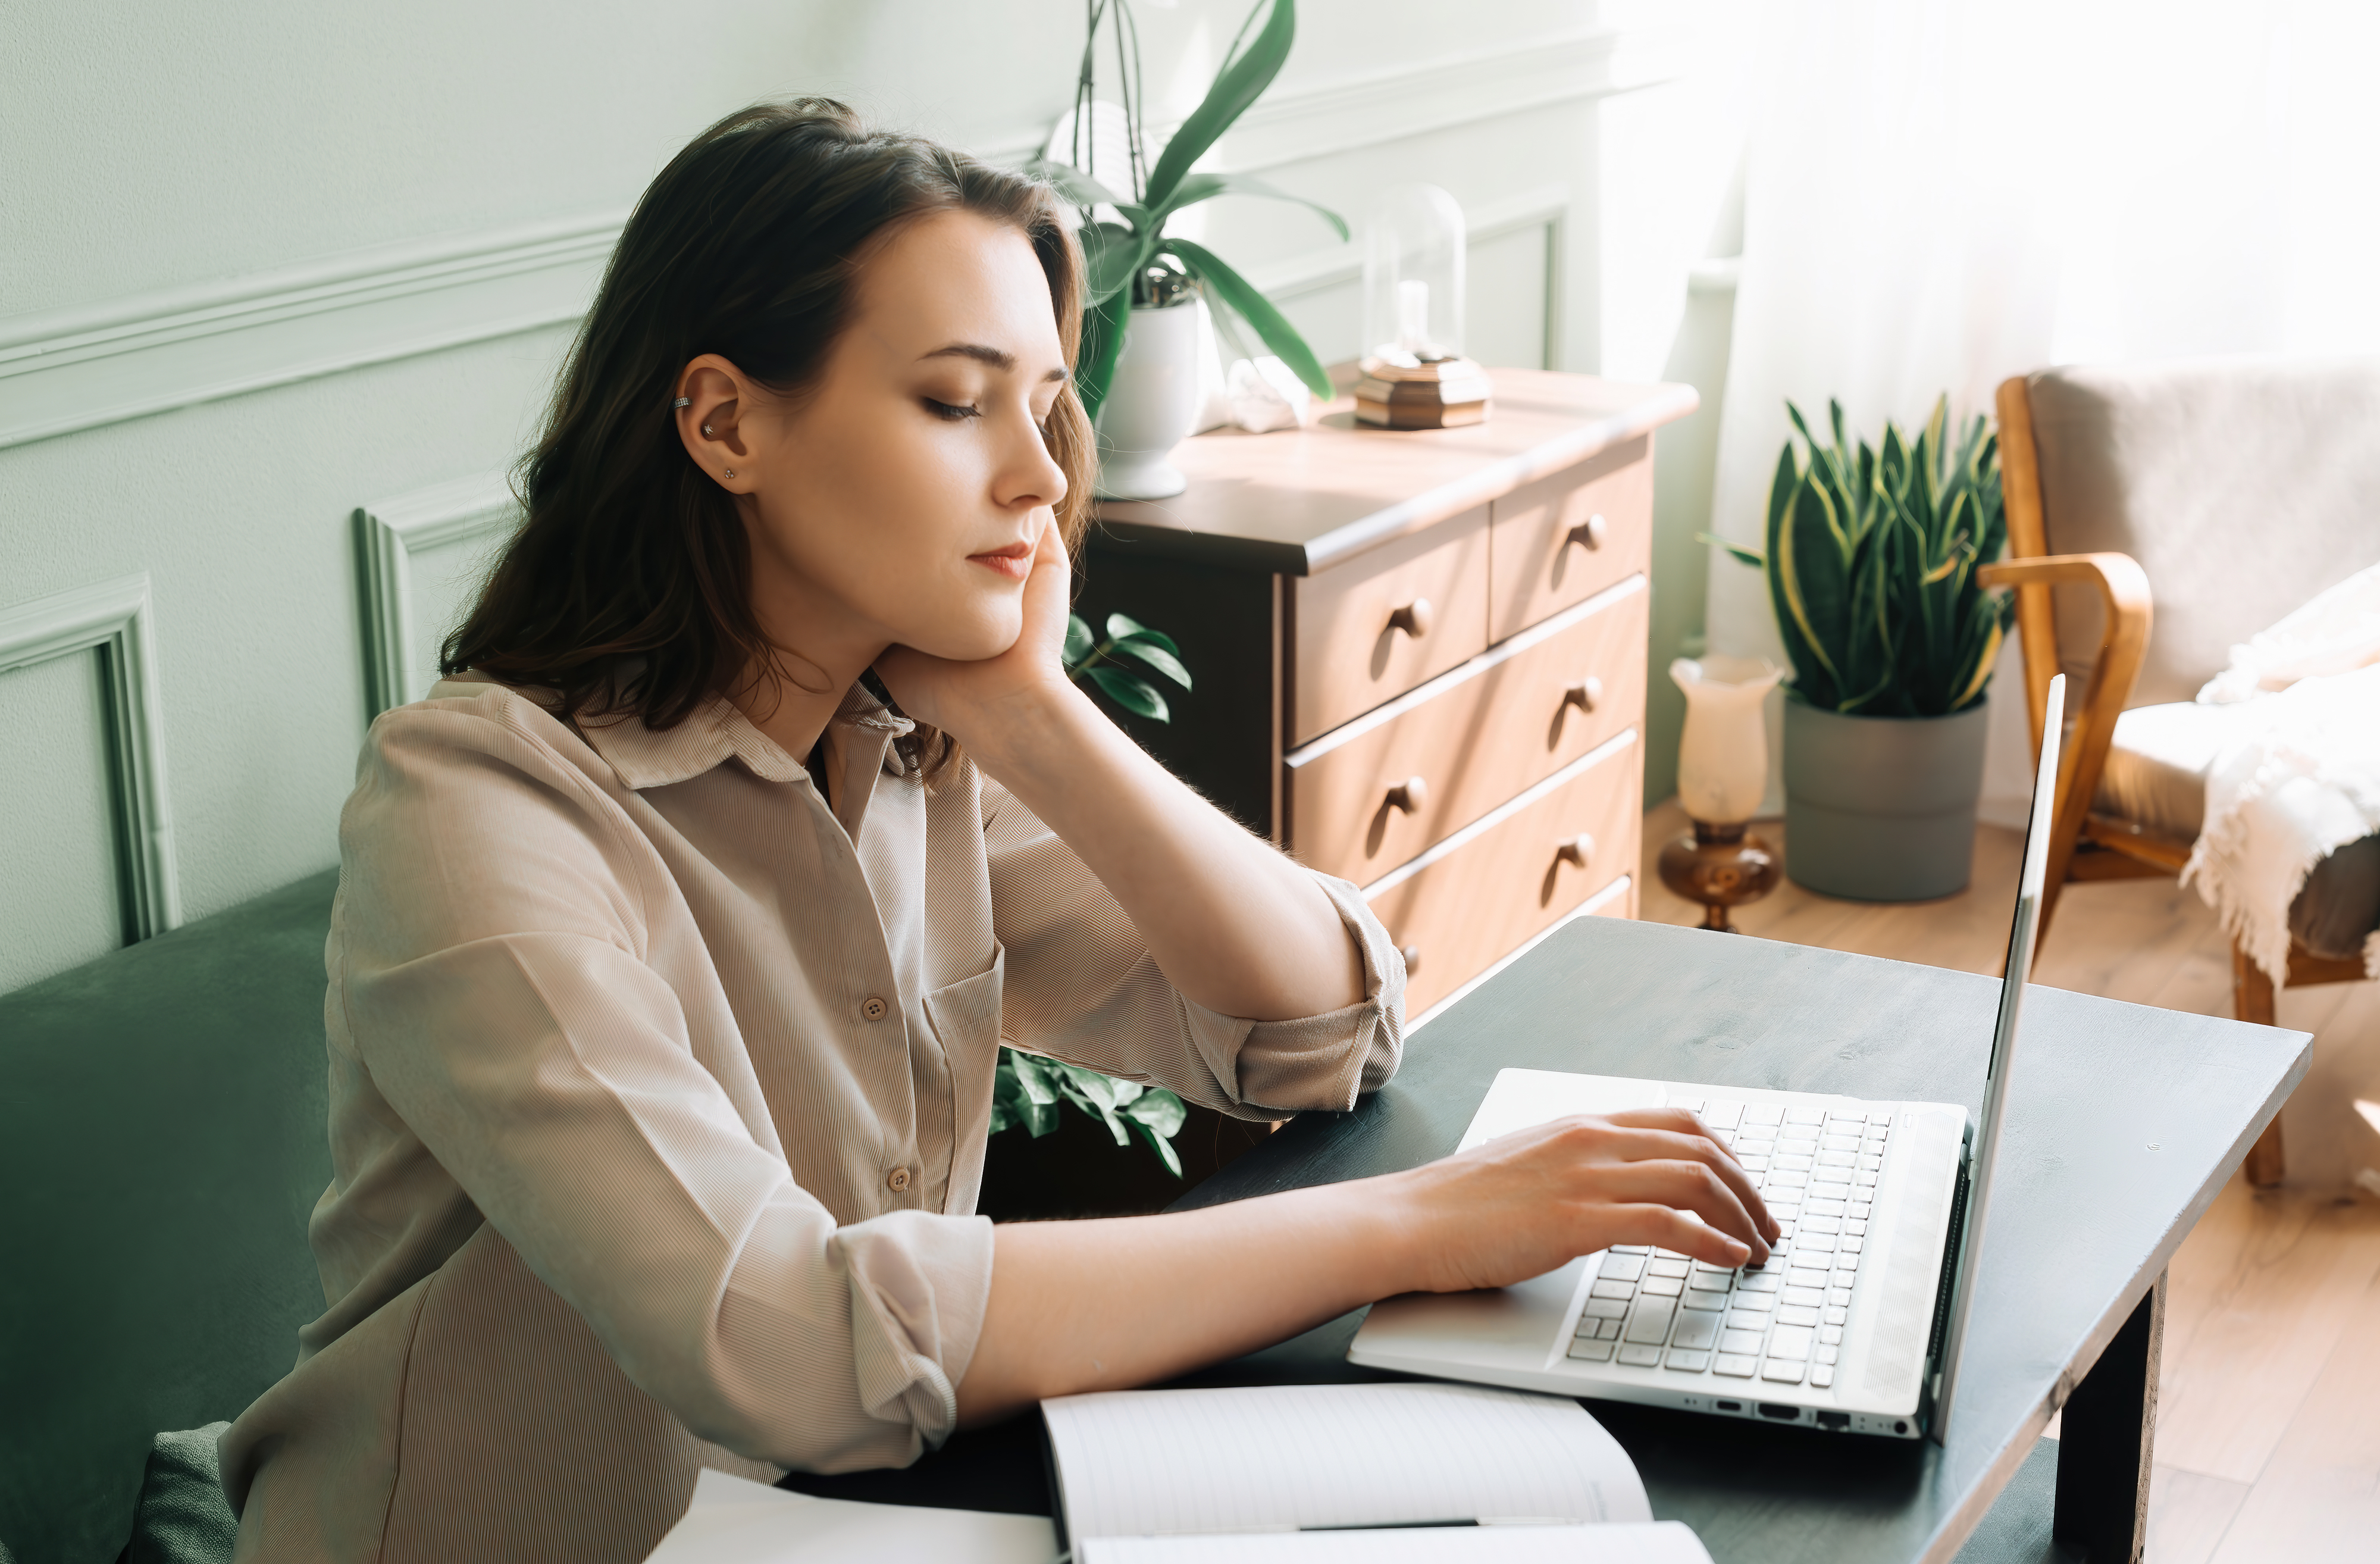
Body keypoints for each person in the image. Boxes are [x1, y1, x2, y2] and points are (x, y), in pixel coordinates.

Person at [219, 100, 1775, 1563]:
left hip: (830, 1523)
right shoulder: (475, 810)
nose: (1041, 478)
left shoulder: (907, 747)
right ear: (723, 423)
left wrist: (1035, 713)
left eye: (1044, 409)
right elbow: (790, 1343)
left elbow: (1322, 1026)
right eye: (957, 402)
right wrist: (1420, 1226)